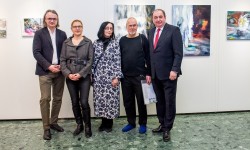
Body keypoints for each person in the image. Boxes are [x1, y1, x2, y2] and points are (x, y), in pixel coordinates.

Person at [149, 9, 183, 142]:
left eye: (160, 17)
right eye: (155, 17)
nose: (158, 19)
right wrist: (149, 72)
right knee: (160, 102)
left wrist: (174, 70)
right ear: (153, 19)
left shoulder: (173, 31)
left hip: (170, 75)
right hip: (155, 75)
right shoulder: (151, 31)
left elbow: (178, 53)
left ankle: (167, 129)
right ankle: (162, 124)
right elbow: (151, 54)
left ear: (165, 17)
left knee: (169, 103)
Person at [32, 9, 67, 140]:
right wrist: (49, 66)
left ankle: (54, 122)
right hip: (45, 71)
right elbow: (36, 52)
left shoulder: (62, 34)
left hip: (59, 71)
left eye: (54, 19)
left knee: (58, 99)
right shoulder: (39, 33)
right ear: (45, 20)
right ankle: (46, 128)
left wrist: (61, 66)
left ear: (57, 20)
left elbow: (65, 52)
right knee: (45, 99)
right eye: (49, 18)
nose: (52, 21)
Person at [60, 19, 93, 138]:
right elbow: (62, 60)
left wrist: (81, 74)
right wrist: (68, 74)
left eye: (79, 26)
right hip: (70, 77)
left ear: (82, 28)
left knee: (83, 102)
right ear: (71, 28)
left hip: (84, 77)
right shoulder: (66, 43)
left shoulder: (88, 42)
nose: (77, 28)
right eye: (75, 26)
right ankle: (79, 125)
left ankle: (88, 126)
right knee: (74, 102)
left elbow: (90, 61)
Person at [119, 17, 151, 134]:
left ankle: (143, 123)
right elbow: (119, 58)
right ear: (126, 27)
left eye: (134, 25)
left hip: (140, 76)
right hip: (125, 77)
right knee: (128, 101)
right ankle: (131, 123)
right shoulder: (122, 40)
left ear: (137, 26)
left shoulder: (142, 38)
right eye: (130, 25)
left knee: (141, 101)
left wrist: (148, 73)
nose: (132, 27)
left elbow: (148, 57)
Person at [92, 21, 123, 132]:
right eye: (107, 28)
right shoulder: (96, 43)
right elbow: (93, 60)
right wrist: (92, 75)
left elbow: (118, 61)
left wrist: (117, 77)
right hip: (99, 77)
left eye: (111, 28)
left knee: (110, 100)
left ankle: (109, 123)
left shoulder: (115, 43)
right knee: (101, 100)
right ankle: (103, 122)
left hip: (111, 77)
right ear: (102, 30)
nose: (109, 30)